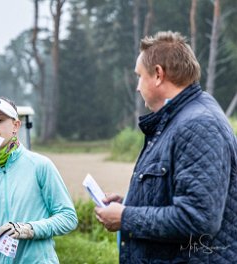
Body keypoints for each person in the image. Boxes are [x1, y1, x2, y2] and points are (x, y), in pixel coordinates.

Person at [95, 31, 237, 263]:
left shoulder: (199, 125)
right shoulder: (181, 119)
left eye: (139, 76)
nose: (137, 87)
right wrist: (130, 204)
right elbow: (174, 194)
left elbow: (198, 218)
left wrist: (126, 217)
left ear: (158, 74)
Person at [0, 97, 78, 263]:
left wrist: (29, 229)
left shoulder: (40, 166)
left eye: (0, 120)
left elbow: (68, 217)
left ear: (16, 126)